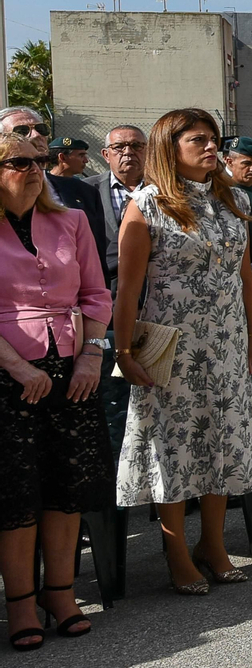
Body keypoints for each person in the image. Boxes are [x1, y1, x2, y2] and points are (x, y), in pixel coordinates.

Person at [113, 108, 252, 594]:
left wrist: (250, 336)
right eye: (197, 139)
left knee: (222, 440)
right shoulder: (147, 203)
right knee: (174, 448)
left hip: (224, 343)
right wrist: (122, 351)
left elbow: (245, 277)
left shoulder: (234, 198)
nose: (210, 146)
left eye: (213, 139)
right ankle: (177, 550)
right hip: (171, 349)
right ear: (169, 146)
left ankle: (214, 544)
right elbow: (128, 287)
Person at [0, 132, 114, 647]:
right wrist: (18, 369)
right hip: (8, 375)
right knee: (18, 494)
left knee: (67, 487)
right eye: (19, 161)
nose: (33, 168)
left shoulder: (71, 221)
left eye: (40, 161)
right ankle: (20, 604)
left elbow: (96, 292)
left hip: (73, 370)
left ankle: (60, 591)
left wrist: (92, 354)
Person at [0, 111, 110, 280]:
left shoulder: (84, 192)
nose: (36, 135)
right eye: (22, 131)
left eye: (41, 129)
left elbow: (97, 270)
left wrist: (98, 304)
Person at [88, 124, 149, 295]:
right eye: (119, 147)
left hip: (152, 289)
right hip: (103, 289)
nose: (128, 152)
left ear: (147, 151)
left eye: (137, 146)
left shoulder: (164, 190)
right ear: (106, 155)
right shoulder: (85, 190)